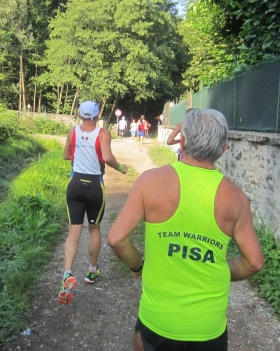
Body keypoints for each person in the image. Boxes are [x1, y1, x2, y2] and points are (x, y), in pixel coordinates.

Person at [107, 108, 264, 350]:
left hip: (157, 321)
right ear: (223, 150)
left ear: (182, 141)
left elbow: (117, 238)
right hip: (208, 328)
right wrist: (222, 271)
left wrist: (138, 266)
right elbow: (254, 262)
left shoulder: (150, 181)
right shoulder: (236, 198)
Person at [59, 100, 128, 305]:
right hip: (94, 186)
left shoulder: (72, 132)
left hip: (75, 184)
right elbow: (106, 156)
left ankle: (67, 273)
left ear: (80, 115)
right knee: (94, 229)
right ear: (97, 116)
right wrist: (121, 167)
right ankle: (91, 271)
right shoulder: (103, 133)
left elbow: (65, 155)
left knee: (73, 232)